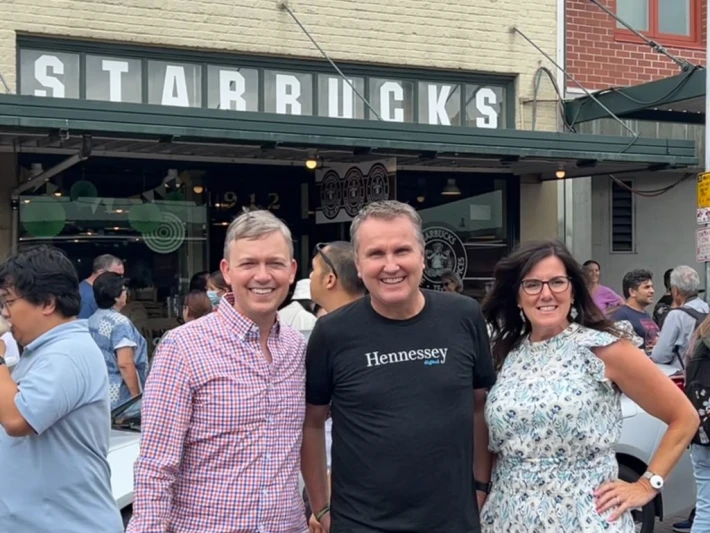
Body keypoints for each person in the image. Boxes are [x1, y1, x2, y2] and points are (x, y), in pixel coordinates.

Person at [302, 200, 496, 533]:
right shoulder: (332, 332)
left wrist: (480, 486)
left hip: (452, 520)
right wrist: (321, 507)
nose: (391, 265)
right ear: (359, 266)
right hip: (360, 522)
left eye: (402, 250)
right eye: (376, 254)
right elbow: (312, 423)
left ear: (422, 257)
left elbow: (479, 407)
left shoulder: (464, 316)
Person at [481, 240, 699, 532]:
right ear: (518, 297)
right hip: (508, 517)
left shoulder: (603, 349)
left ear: (573, 291)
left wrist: (648, 484)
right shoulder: (504, 354)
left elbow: (684, 417)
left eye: (557, 282)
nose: (546, 293)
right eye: (532, 284)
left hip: (583, 518)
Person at [127, 209, 307, 533]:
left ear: (292, 270)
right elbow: (156, 467)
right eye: (249, 263)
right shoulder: (183, 347)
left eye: (275, 263)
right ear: (227, 271)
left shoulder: (297, 348)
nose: (262, 276)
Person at [0, 245, 123, 531]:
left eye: (9, 302)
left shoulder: (66, 352)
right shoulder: (42, 351)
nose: (5, 314)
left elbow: (17, 419)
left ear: (47, 303)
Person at [88, 272, 148, 408]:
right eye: (123, 289)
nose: (126, 292)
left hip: (97, 391)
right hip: (119, 396)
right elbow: (125, 363)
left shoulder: (92, 320)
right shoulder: (120, 323)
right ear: (116, 296)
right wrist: (136, 398)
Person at [651, 266, 710, 370]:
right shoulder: (706, 308)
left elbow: (660, 356)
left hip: (684, 376)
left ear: (676, 291)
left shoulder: (676, 315)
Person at [309, 241, 366, 314]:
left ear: (330, 280)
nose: (310, 276)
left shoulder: (328, 324)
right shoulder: (379, 319)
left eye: (314, 269)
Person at [610, 269, 660, 352]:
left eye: (652, 287)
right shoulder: (620, 315)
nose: (652, 291)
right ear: (632, 292)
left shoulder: (646, 315)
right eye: (646, 287)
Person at [78, 254, 124, 319]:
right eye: (116, 275)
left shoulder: (95, 291)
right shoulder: (87, 297)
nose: (120, 279)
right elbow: (83, 327)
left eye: (122, 275)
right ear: (101, 272)